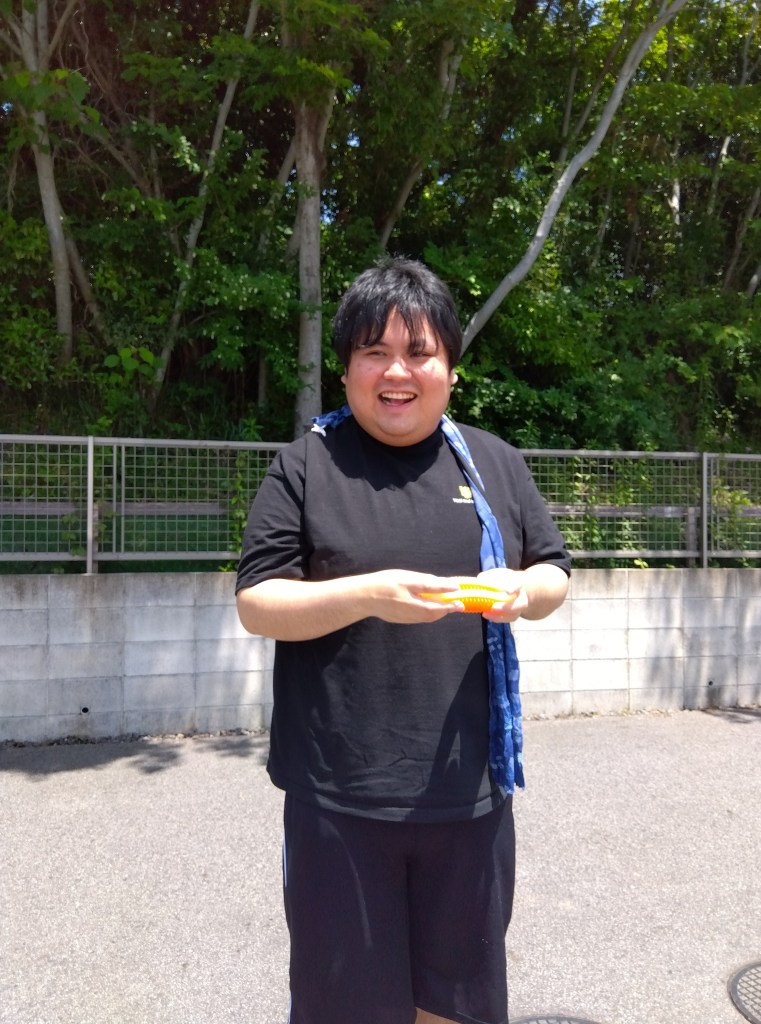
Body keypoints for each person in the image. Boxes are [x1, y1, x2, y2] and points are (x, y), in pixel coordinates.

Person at [236, 257, 571, 1024]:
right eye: (374, 352)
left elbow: (554, 571)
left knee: (458, 1002)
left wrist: (524, 592)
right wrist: (366, 595)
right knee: (346, 1006)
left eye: (419, 352)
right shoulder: (306, 466)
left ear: (450, 368)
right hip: (339, 794)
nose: (397, 372)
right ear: (346, 369)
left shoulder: (493, 464)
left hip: (470, 791)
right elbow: (258, 603)